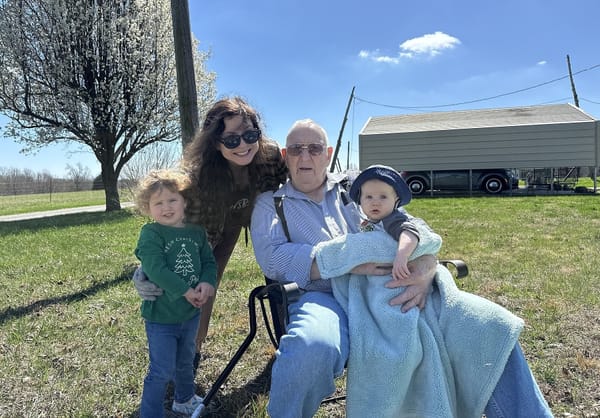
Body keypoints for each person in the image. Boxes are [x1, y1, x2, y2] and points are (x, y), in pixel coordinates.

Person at [250, 119, 553, 418]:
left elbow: (411, 226)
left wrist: (426, 264)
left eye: (314, 148)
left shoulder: (358, 186)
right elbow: (273, 259)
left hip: (395, 287)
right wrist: (348, 260)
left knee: (491, 325)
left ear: (328, 154)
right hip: (324, 296)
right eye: (296, 149)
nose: (305, 157)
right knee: (310, 348)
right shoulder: (270, 204)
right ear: (284, 156)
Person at [133, 96, 288, 358]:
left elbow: (293, 187)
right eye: (231, 139)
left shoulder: (270, 155)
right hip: (215, 226)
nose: (243, 145)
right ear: (216, 142)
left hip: (261, 217)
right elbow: (177, 228)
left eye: (251, 135)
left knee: (282, 272)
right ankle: (191, 349)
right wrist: (147, 265)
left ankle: (290, 341)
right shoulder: (198, 179)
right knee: (203, 280)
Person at [133, 169, 217, 417]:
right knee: (161, 369)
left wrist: (206, 283)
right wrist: (185, 290)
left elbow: (209, 262)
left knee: (185, 361)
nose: (166, 207)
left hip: (190, 314)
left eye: (172, 200)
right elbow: (154, 268)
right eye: (158, 203)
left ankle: (184, 399)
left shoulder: (196, 232)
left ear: (184, 202)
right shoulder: (151, 233)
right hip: (161, 317)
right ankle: (150, 413)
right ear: (148, 208)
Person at [349, 164, 420, 280]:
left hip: (393, 273)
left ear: (396, 201)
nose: (375, 202)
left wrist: (402, 256)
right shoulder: (366, 222)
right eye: (369, 197)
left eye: (383, 197)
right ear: (360, 200)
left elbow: (410, 233)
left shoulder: (392, 219)